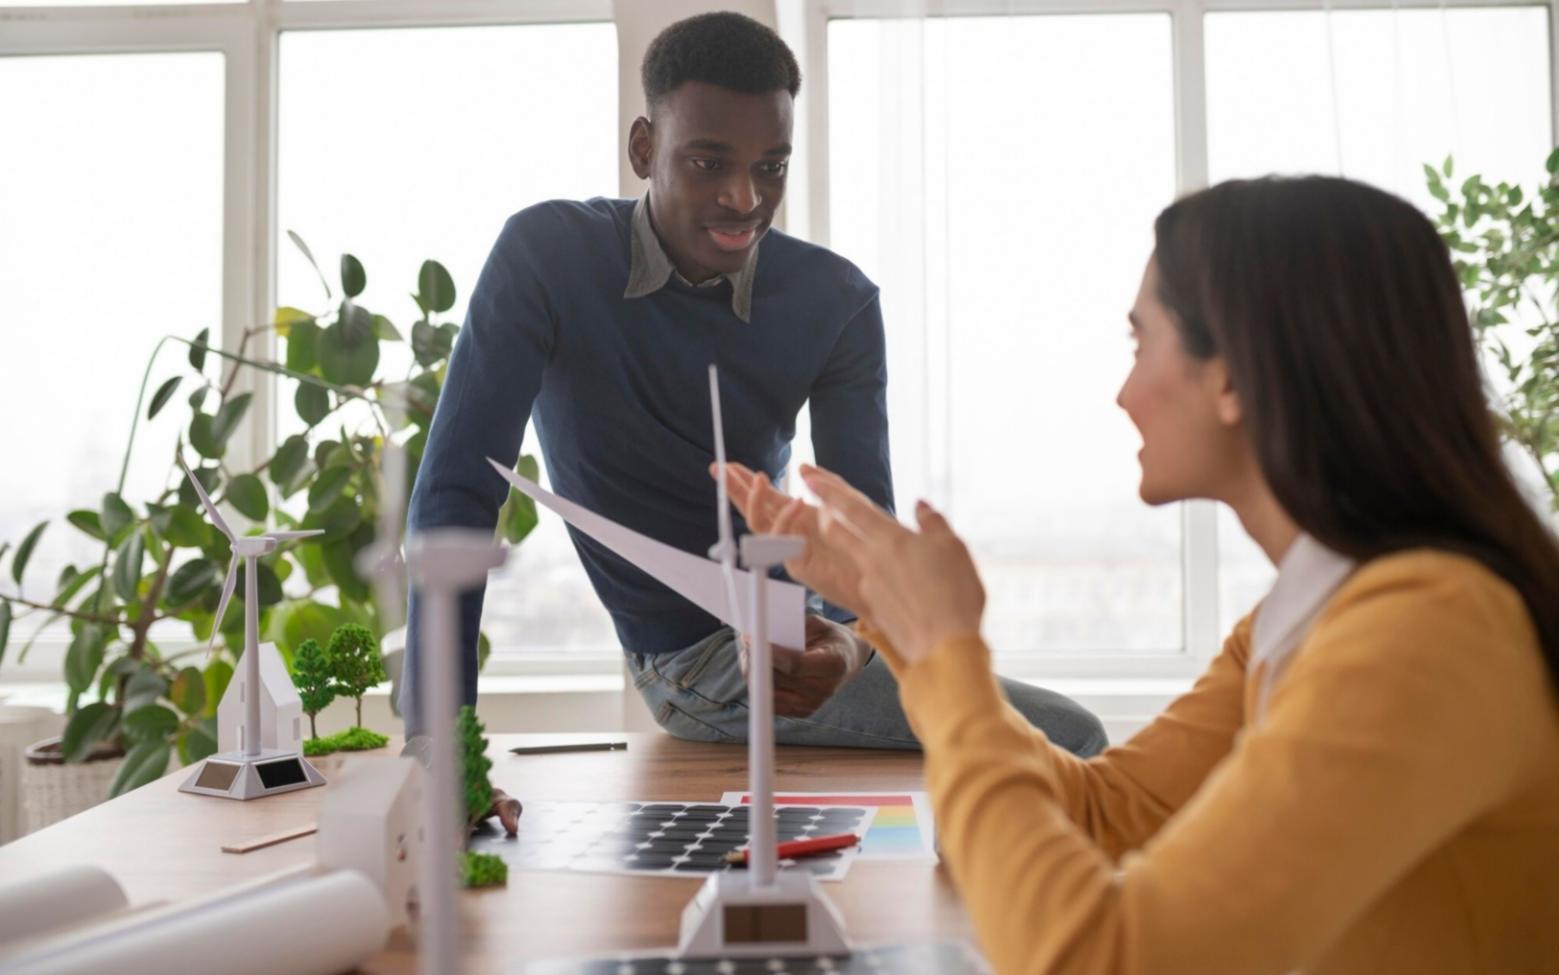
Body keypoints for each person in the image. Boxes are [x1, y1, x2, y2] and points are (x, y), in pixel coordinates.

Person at [717, 176, 1559, 973]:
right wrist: (898, 624)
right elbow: (1103, 816)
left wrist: (947, 654)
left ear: (1229, 375)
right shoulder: (1312, 616)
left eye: (1140, 340)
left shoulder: (1421, 633)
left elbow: (1102, 958)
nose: (1124, 391)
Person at [401, 11, 1105, 755]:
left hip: (800, 641)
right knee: (1070, 737)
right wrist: (440, 758)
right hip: (694, 663)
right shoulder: (546, 257)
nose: (745, 198)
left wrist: (843, 645)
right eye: (708, 163)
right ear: (644, 148)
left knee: (1050, 738)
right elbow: (454, 500)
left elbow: (855, 535)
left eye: (770, 166)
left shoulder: (838, 302)